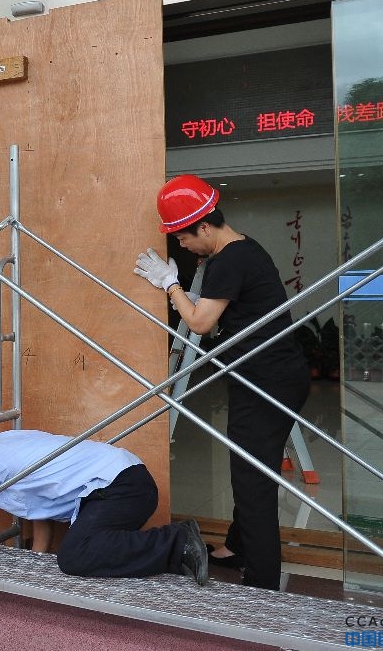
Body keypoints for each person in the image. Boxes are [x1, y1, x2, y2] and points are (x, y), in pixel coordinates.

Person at [133, 173, 311, 590]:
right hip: (272, 376)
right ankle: (238, 545)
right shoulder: (242, 251)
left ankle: (262, 581)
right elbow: (221, 314)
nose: (182, 246)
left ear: (205, 227)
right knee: (248, 467)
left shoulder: (230, 259)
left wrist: (169, 283)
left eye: (183, 238)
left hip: (266, 383)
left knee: (253, 479)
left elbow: (199, 321)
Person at [0, 428, 207, 586]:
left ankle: (179, 541)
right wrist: (35, 560)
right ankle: (176, 554)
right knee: (90, 547)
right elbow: (39, 512)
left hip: (119, 487)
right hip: (126, 484)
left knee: (75, 556)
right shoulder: (3, 443)